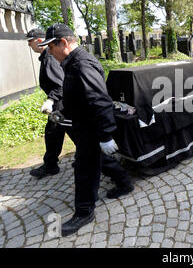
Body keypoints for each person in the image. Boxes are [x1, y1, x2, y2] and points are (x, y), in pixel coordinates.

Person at [39, 23, 134, 236]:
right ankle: (125, 182)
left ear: (63, 43)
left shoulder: (81, 65)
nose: (49, 52)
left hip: (92, 127)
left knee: (84, 169)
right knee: (98, 159)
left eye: (51, 47)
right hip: (85, 125)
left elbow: (98, 99)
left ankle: (84, 212)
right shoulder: (72, 63)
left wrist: (106, 134)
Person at [25, 28, 76, 179]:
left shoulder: (49, 58)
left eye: (30, 41)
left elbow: (60, 84)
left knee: (59, 132)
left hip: (61, 104)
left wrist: (50, 100)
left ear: (39, 41)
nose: (29, 45)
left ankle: (51, 165)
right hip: (60, 104)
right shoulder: (47, 57)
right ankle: (51, 164)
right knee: (59, 132)